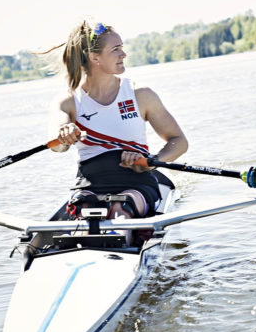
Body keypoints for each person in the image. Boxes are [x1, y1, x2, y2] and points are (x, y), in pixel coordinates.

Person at [46, 20, 188, 220]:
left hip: (136, 182)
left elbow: (179, 141)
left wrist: (153, 162)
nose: (124, 54)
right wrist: (64, 134)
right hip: (89, 186)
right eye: (116, 49)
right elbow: (57, 146)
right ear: (95, 58)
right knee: (85, 212)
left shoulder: (140, 95)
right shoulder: (67, 102)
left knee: (121, 210)